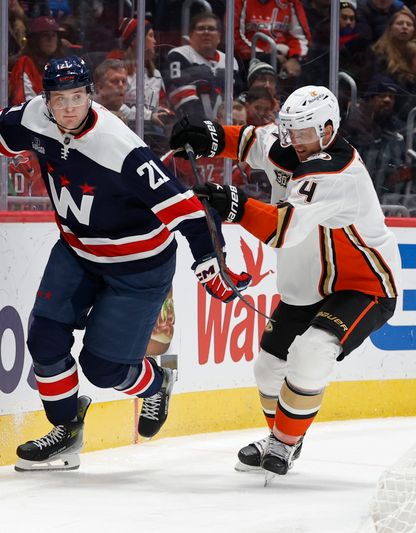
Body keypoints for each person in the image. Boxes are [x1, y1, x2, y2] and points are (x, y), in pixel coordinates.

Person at [0, 56, 251, 471]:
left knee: (103, 370)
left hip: (137, 267)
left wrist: (212, 262)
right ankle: (66, 430)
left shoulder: (120, 149)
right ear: (45, 99)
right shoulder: (34, 117)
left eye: (78, 97)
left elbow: (191, 213)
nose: (69, 108)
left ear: (90, 95)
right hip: (78, 251)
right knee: (44, 340)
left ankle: (156, 383)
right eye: (60, 99)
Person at [169, 85, 401, 478]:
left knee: (313, 351)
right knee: (268, 368)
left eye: (305, 134)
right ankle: (285, 436)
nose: (297, 142)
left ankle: (283, 442)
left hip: (365, 283)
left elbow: (284, 229)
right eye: (291, 132)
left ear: (329, 129)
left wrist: (237, 205)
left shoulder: (337, 172)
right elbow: (251, 142)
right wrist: (209, 136)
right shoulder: (290, 142)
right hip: (307, 285)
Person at [164, 12, 241, 121]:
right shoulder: (178, 55)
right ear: (190, 35)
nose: (206, 32)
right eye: (200, 28)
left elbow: (236, 97)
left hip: (223, 125)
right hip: (190, 125)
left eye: (211, 28)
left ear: (219, 36)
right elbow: (179, 93)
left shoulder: (230, 61)